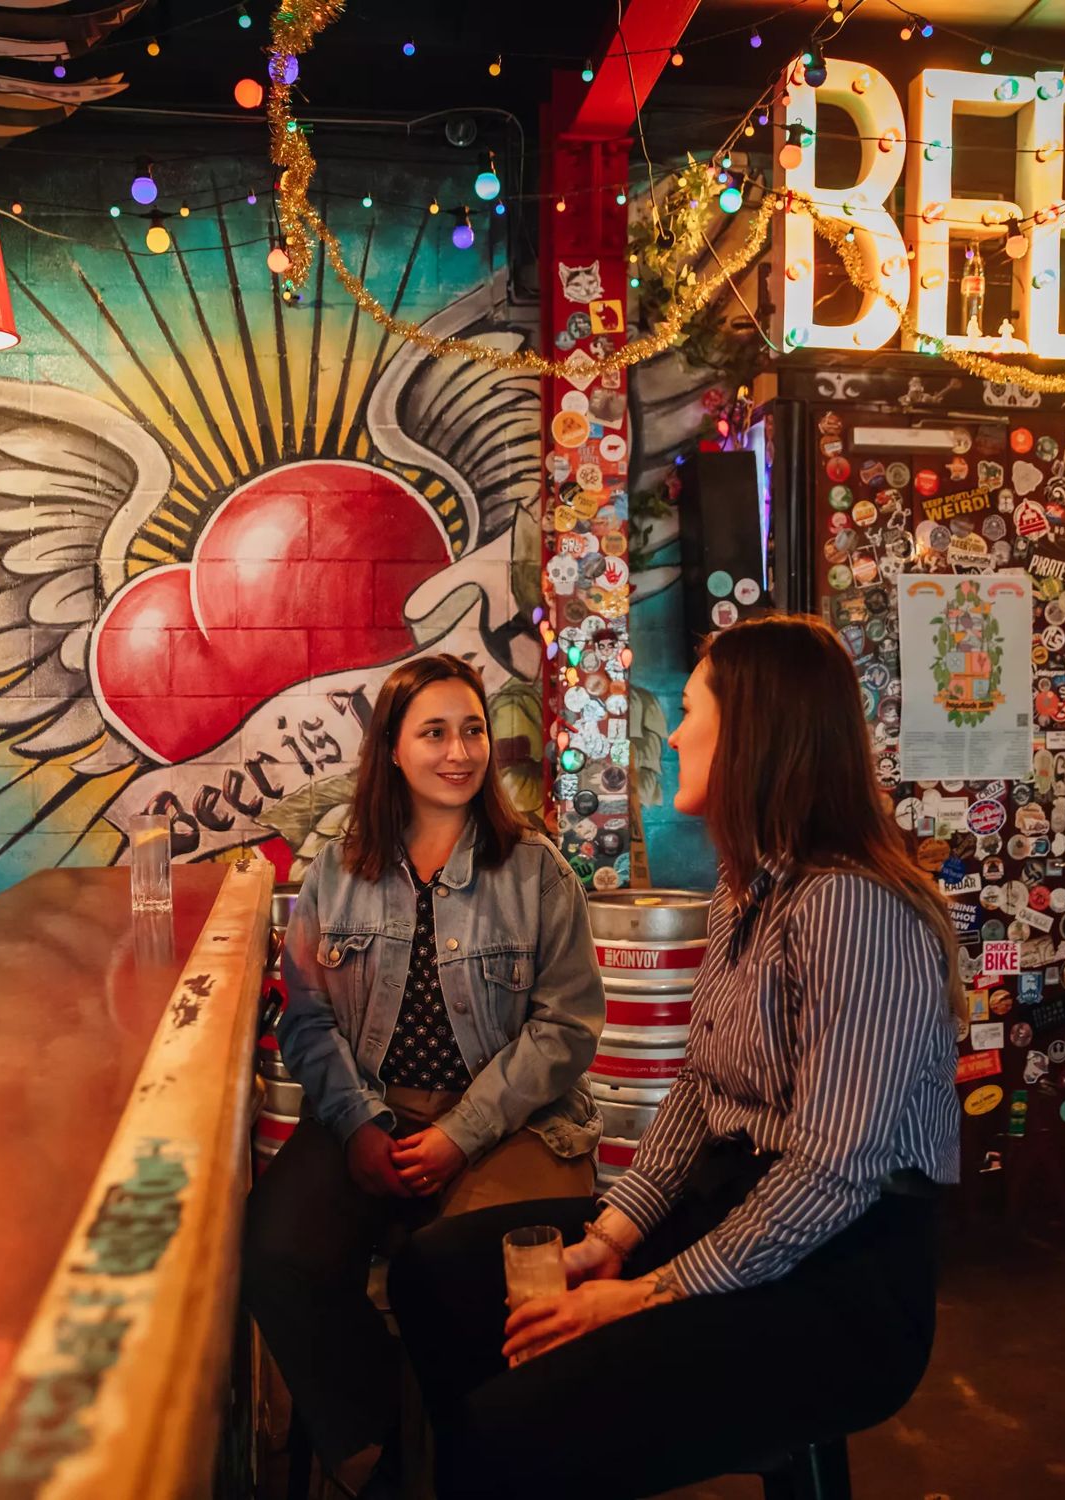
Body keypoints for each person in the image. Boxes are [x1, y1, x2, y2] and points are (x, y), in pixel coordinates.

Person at [389, 614, 963, 1500]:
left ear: (754, 732)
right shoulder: (746, 888)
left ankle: (505, 1453)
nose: (677, 725)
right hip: (734, 1207)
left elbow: (832, 1174)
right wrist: (612, 1236)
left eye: (693, 708)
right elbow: (699, 1087)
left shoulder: (853, 909)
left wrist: (648, 1293)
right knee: (435, 1277)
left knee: (510, 1432)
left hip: (842, 1281)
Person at [242, 654, 605, 1480]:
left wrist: (461, 1132)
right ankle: (385, 1453)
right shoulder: (338, 867)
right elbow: (307, 1016)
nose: (459, 751)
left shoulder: (536, 870)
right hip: (371, 1110)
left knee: (467, 1279)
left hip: (511, 1120)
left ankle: (491, 1463)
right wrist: (358, 1123)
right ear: (393, 752)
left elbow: (567, 1025)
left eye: (472, 730)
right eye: (434, 732)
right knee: (276, 1256)